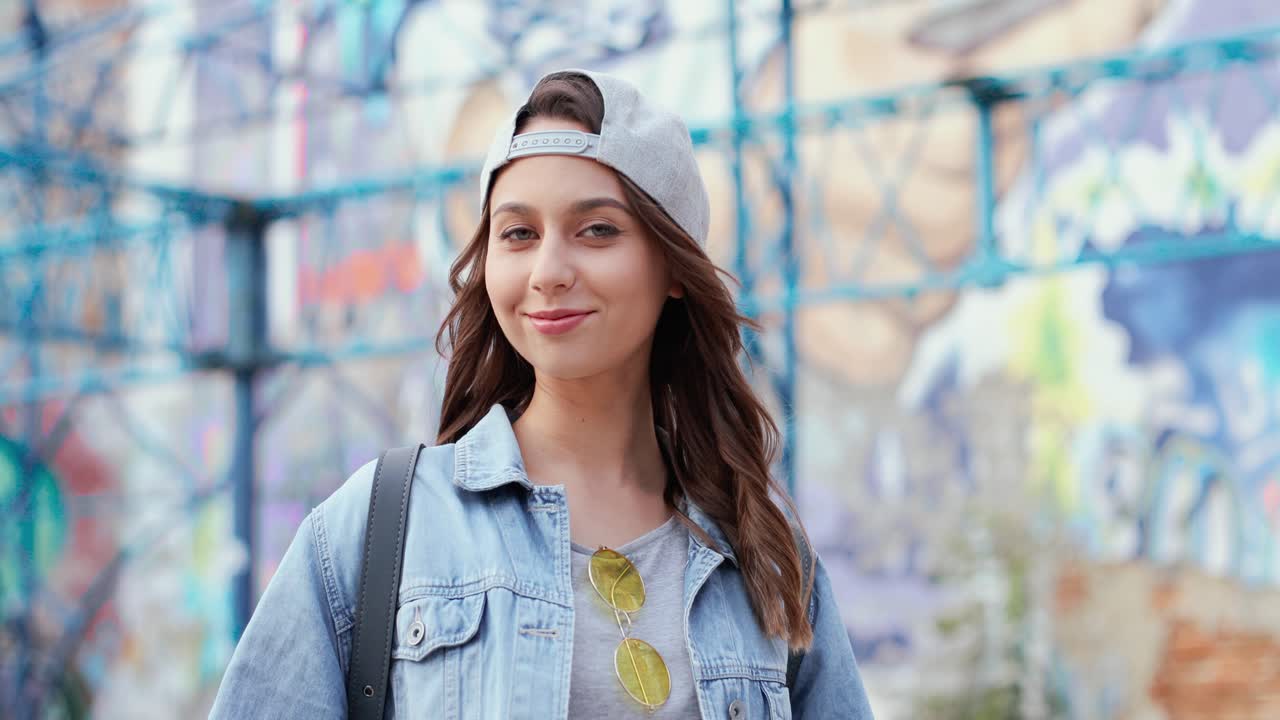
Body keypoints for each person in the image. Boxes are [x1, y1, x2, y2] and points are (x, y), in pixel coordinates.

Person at [210, 68, 874, 719]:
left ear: (673, 264)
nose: (549, 272)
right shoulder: (381, 530)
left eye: (597, 230)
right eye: (519, 234)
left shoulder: (763, 554)